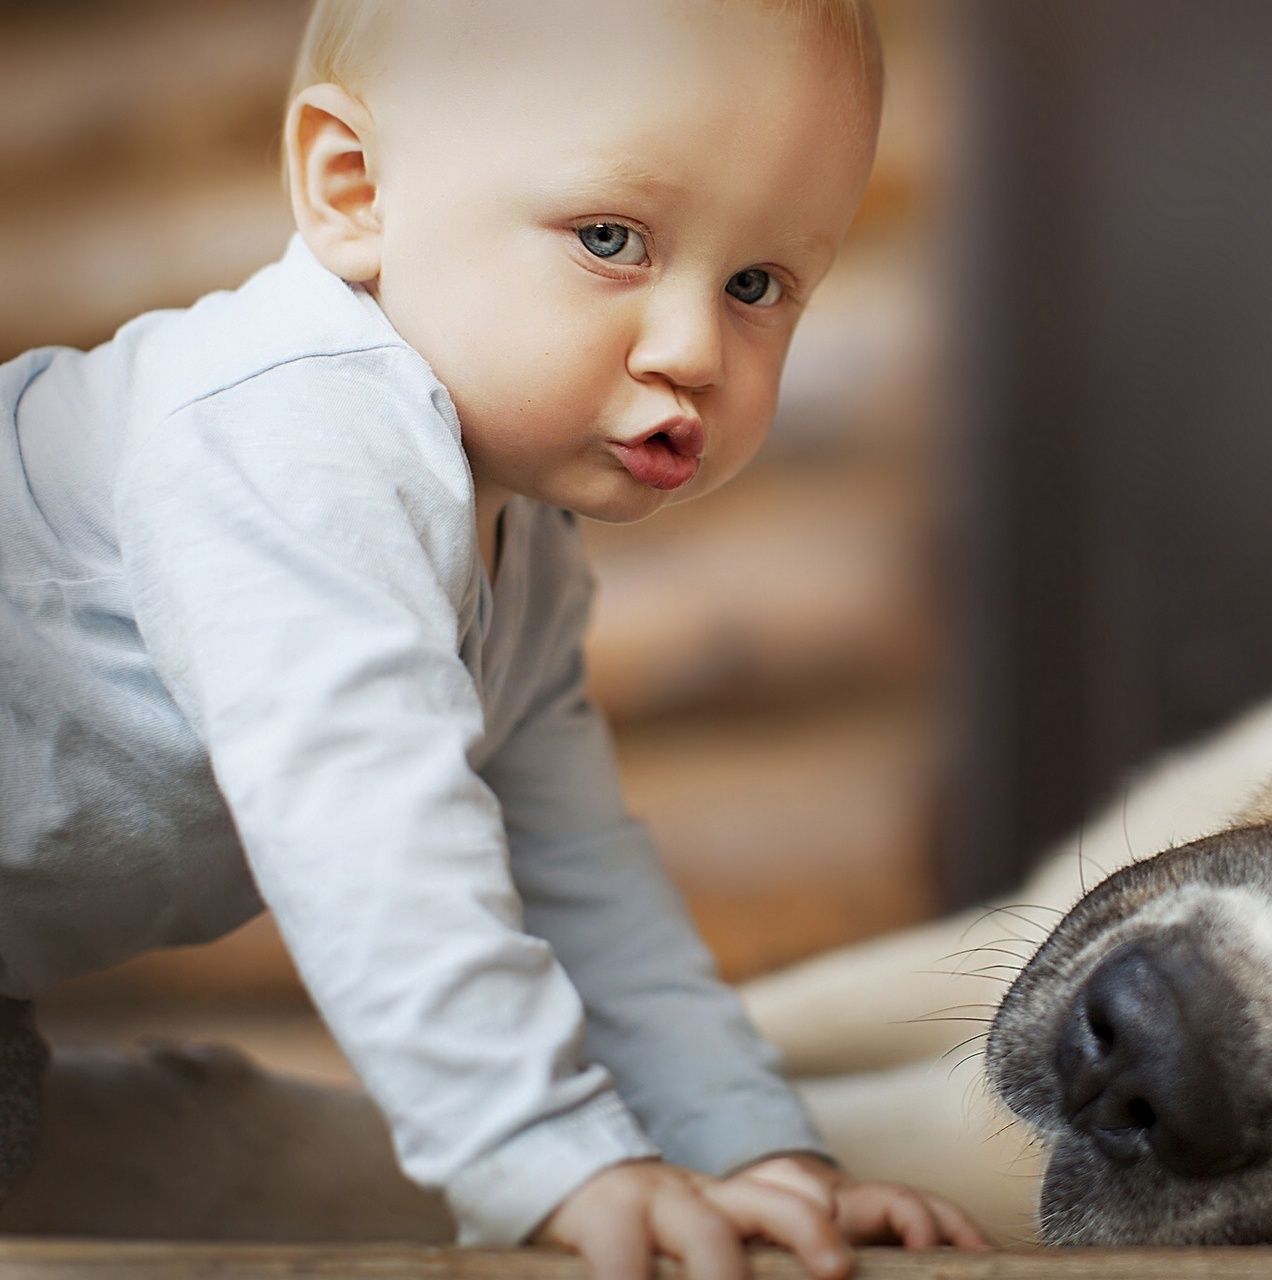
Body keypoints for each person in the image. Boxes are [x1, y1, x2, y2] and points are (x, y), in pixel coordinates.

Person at [0, 1, 988, 1276]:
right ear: (353, 190)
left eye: (757, 284)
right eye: (612, 239)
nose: (692, 348)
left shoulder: (521, 561)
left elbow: (577, 869)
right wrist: (543, 1145)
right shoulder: (290, 432)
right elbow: (366, 815)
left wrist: (753, 1150)